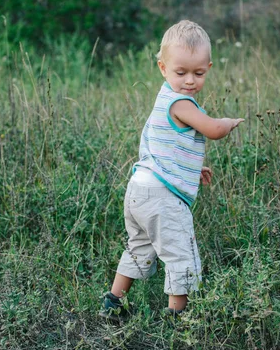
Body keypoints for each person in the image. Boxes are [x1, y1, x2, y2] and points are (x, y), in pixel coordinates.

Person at [100, 20, 244, 321]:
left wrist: (193, 167)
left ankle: (113, 302)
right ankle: (177, 319)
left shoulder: (164, 98)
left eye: (198, 73)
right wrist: (227, 123)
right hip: (162, 197)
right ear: (163, 68)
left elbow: (167, 146)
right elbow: (213, 130)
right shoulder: (182, 103)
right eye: (181, 73)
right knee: (181, 254)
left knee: (139, 248)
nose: (190, 80)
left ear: (209, 67)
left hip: (139, 190)